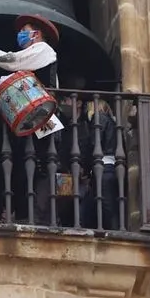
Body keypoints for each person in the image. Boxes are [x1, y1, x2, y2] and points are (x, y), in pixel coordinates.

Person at [0, 15, 61, 224]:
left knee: (42, 169)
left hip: (46, 123)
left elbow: (12, 61)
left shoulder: (43, 51)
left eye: (25, 30)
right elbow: (0, 83)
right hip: (29, 125)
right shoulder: (26, 67)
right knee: (25, 170)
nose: (20, 35)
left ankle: (39, 218)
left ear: (37, 33)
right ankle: (25, 215)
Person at [59, 95, 121, 230]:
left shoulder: (99, 118)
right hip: (109, 168)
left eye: (89, 106)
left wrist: (84, 167)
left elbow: (93, 144)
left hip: (103, 168)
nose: (87, 109)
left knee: (106, 207)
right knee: (98, 205)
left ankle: (112, 231)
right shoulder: (112, 121)